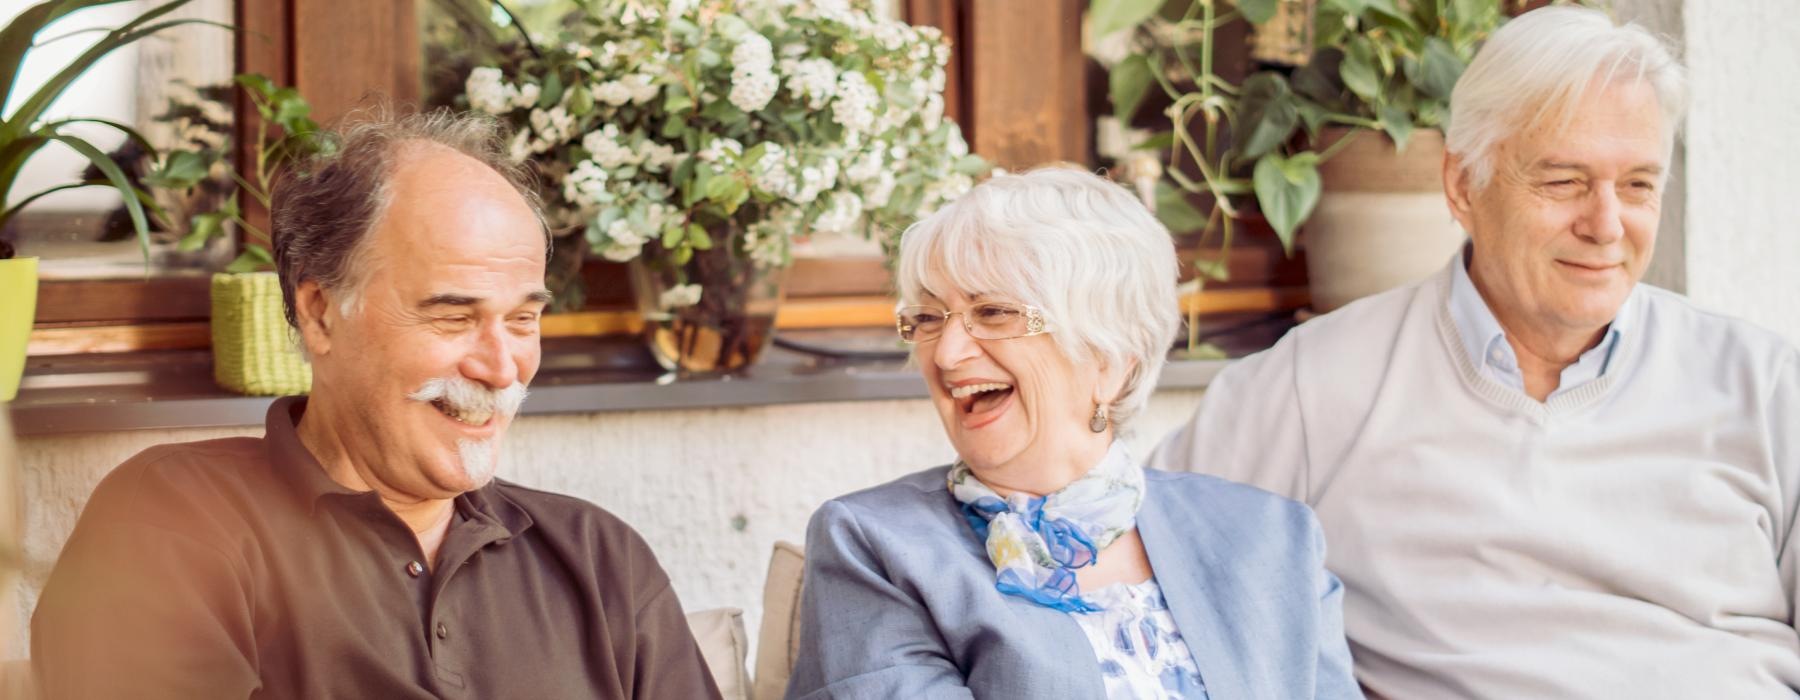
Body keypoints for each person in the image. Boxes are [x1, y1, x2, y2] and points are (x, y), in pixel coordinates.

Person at [1150, 6, 1800, 698]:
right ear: (1464, 186)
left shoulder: (1762, 385)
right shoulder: (1316, 386)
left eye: (1638, 185)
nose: (1606, 225)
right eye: (1564, 182)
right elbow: (1143, 563)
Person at [30, 111, 721, 699]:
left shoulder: (599, 559)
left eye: (522, 320)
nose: (502, 366)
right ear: (321, 314)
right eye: (453, 319)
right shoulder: (174, 522)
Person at [787, 167, 1362, 699]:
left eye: (993, 312)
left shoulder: (1273, 538)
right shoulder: (875, 546)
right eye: (931, 318)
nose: (948, 353)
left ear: (1110, 360)